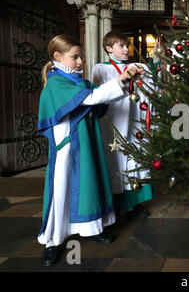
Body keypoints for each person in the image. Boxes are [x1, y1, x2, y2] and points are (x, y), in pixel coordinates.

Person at [37, 34, 143, 266]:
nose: (80, 62)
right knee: (62, 190)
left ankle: (92, 227)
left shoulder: (78, 81)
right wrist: (122, 78)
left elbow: (97, 100)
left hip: (87, 141)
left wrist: (122, 82)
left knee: (90, 183)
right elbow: (93, 97)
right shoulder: (57, 82)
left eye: (82, 57)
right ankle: (53, 241)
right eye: (75, 57)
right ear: (57, 57)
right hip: (68, 147)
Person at [92, 31, 156, 221]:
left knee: (135, 159)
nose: (126, 49)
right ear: (109, 48)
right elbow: (98, 93)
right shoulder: (101, 69)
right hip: (113, 121)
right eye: (120, 46)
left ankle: (136, 202)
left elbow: (152, 87)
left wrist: (152, 69)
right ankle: (116, 205)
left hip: (135, 121)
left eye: (126, 45)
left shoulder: (138, 66)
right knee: (116, 161)